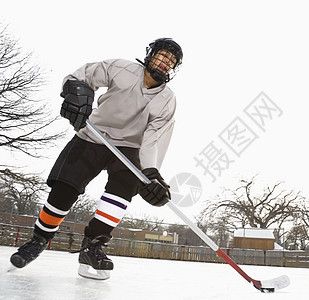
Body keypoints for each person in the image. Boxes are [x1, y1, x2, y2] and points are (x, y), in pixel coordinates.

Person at [10, 38, 183, 280]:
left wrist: (151, 172)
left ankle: (93, 247)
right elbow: (81, 77)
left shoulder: (167, 100)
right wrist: (75, 93)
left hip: (129, 149)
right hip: (93, 135)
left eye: (171, 62)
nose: (165, 63)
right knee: (64, 190)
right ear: (150, 55)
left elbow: (153, 138)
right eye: (162, 56)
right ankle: (38, 240)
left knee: (120, 194)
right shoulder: (121, 68)